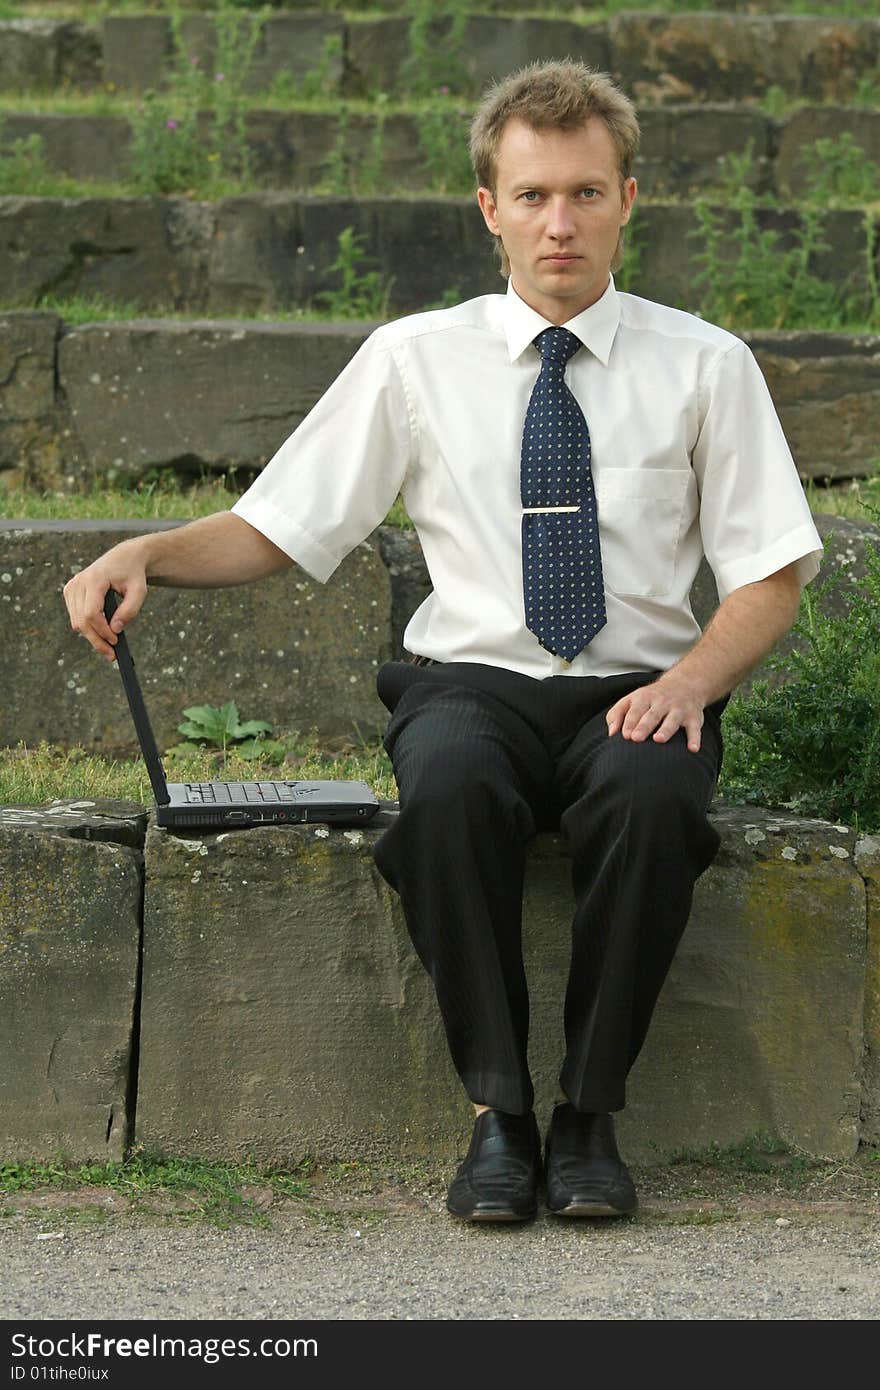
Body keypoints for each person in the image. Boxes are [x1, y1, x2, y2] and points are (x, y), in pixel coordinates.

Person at [64, 59, 822, 1224]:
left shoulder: (704, 364)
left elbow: (769, 567)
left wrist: (693, 682)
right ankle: (499, 1117)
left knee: (652, 800)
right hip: (468, 680)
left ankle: (589, 1116)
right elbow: (281, 521)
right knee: (450, 786)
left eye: (582, 192)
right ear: (489, 209)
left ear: (629, 196)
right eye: (531, 196)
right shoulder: (414, 359)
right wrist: (148, 551)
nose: (557, 222)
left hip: (640, 686)